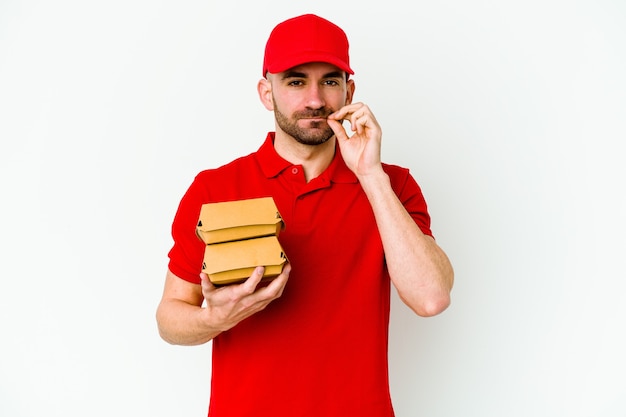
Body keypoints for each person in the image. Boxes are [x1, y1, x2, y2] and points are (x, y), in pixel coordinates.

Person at [156, 13, 454, 417]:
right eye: (296, 81)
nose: (315, 99)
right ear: (267, 92)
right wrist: (219, 317)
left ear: (349, 92)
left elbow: (431, 297)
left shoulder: (392, 185)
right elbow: (170, 317)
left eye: (330, 81)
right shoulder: (214, 189)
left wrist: (370, 175)